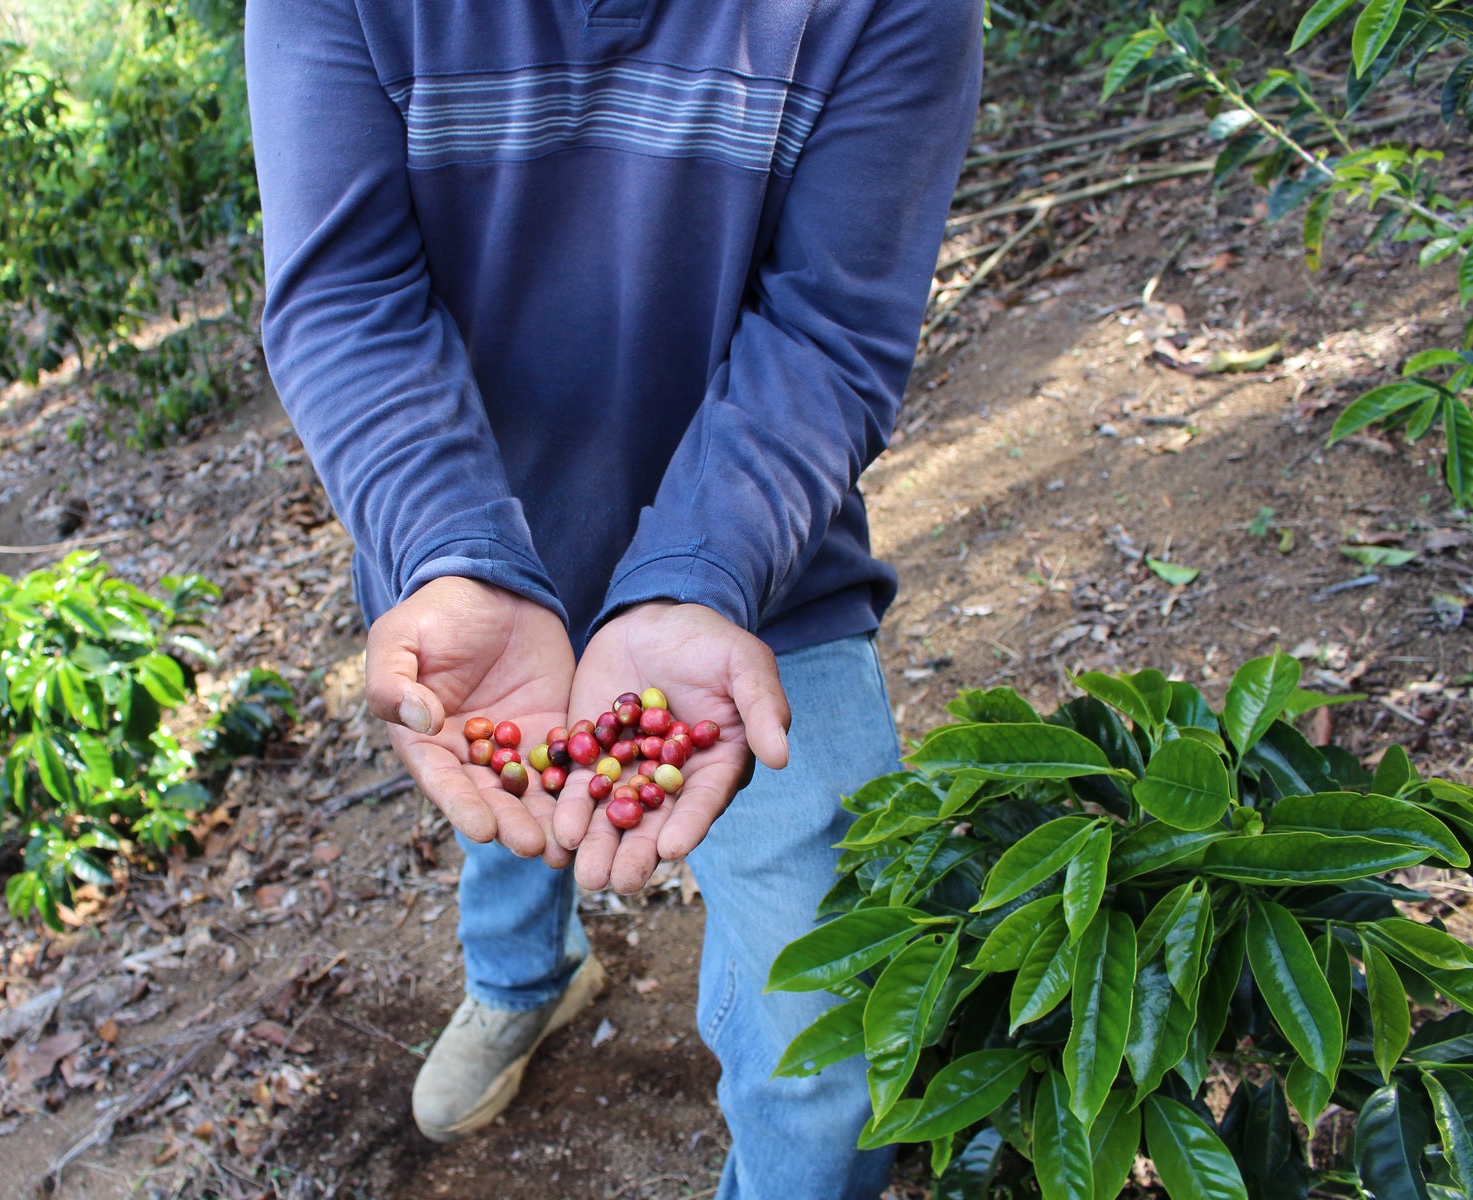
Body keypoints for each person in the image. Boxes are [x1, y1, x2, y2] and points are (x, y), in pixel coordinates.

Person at [245, 1, 982, 1195]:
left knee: (839, 1039)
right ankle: (524, 978)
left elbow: (831, 323)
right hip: (473, 537)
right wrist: (455, 554)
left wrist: (699, 573)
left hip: (752, 571)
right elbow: (344, 298)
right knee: (514, 769)